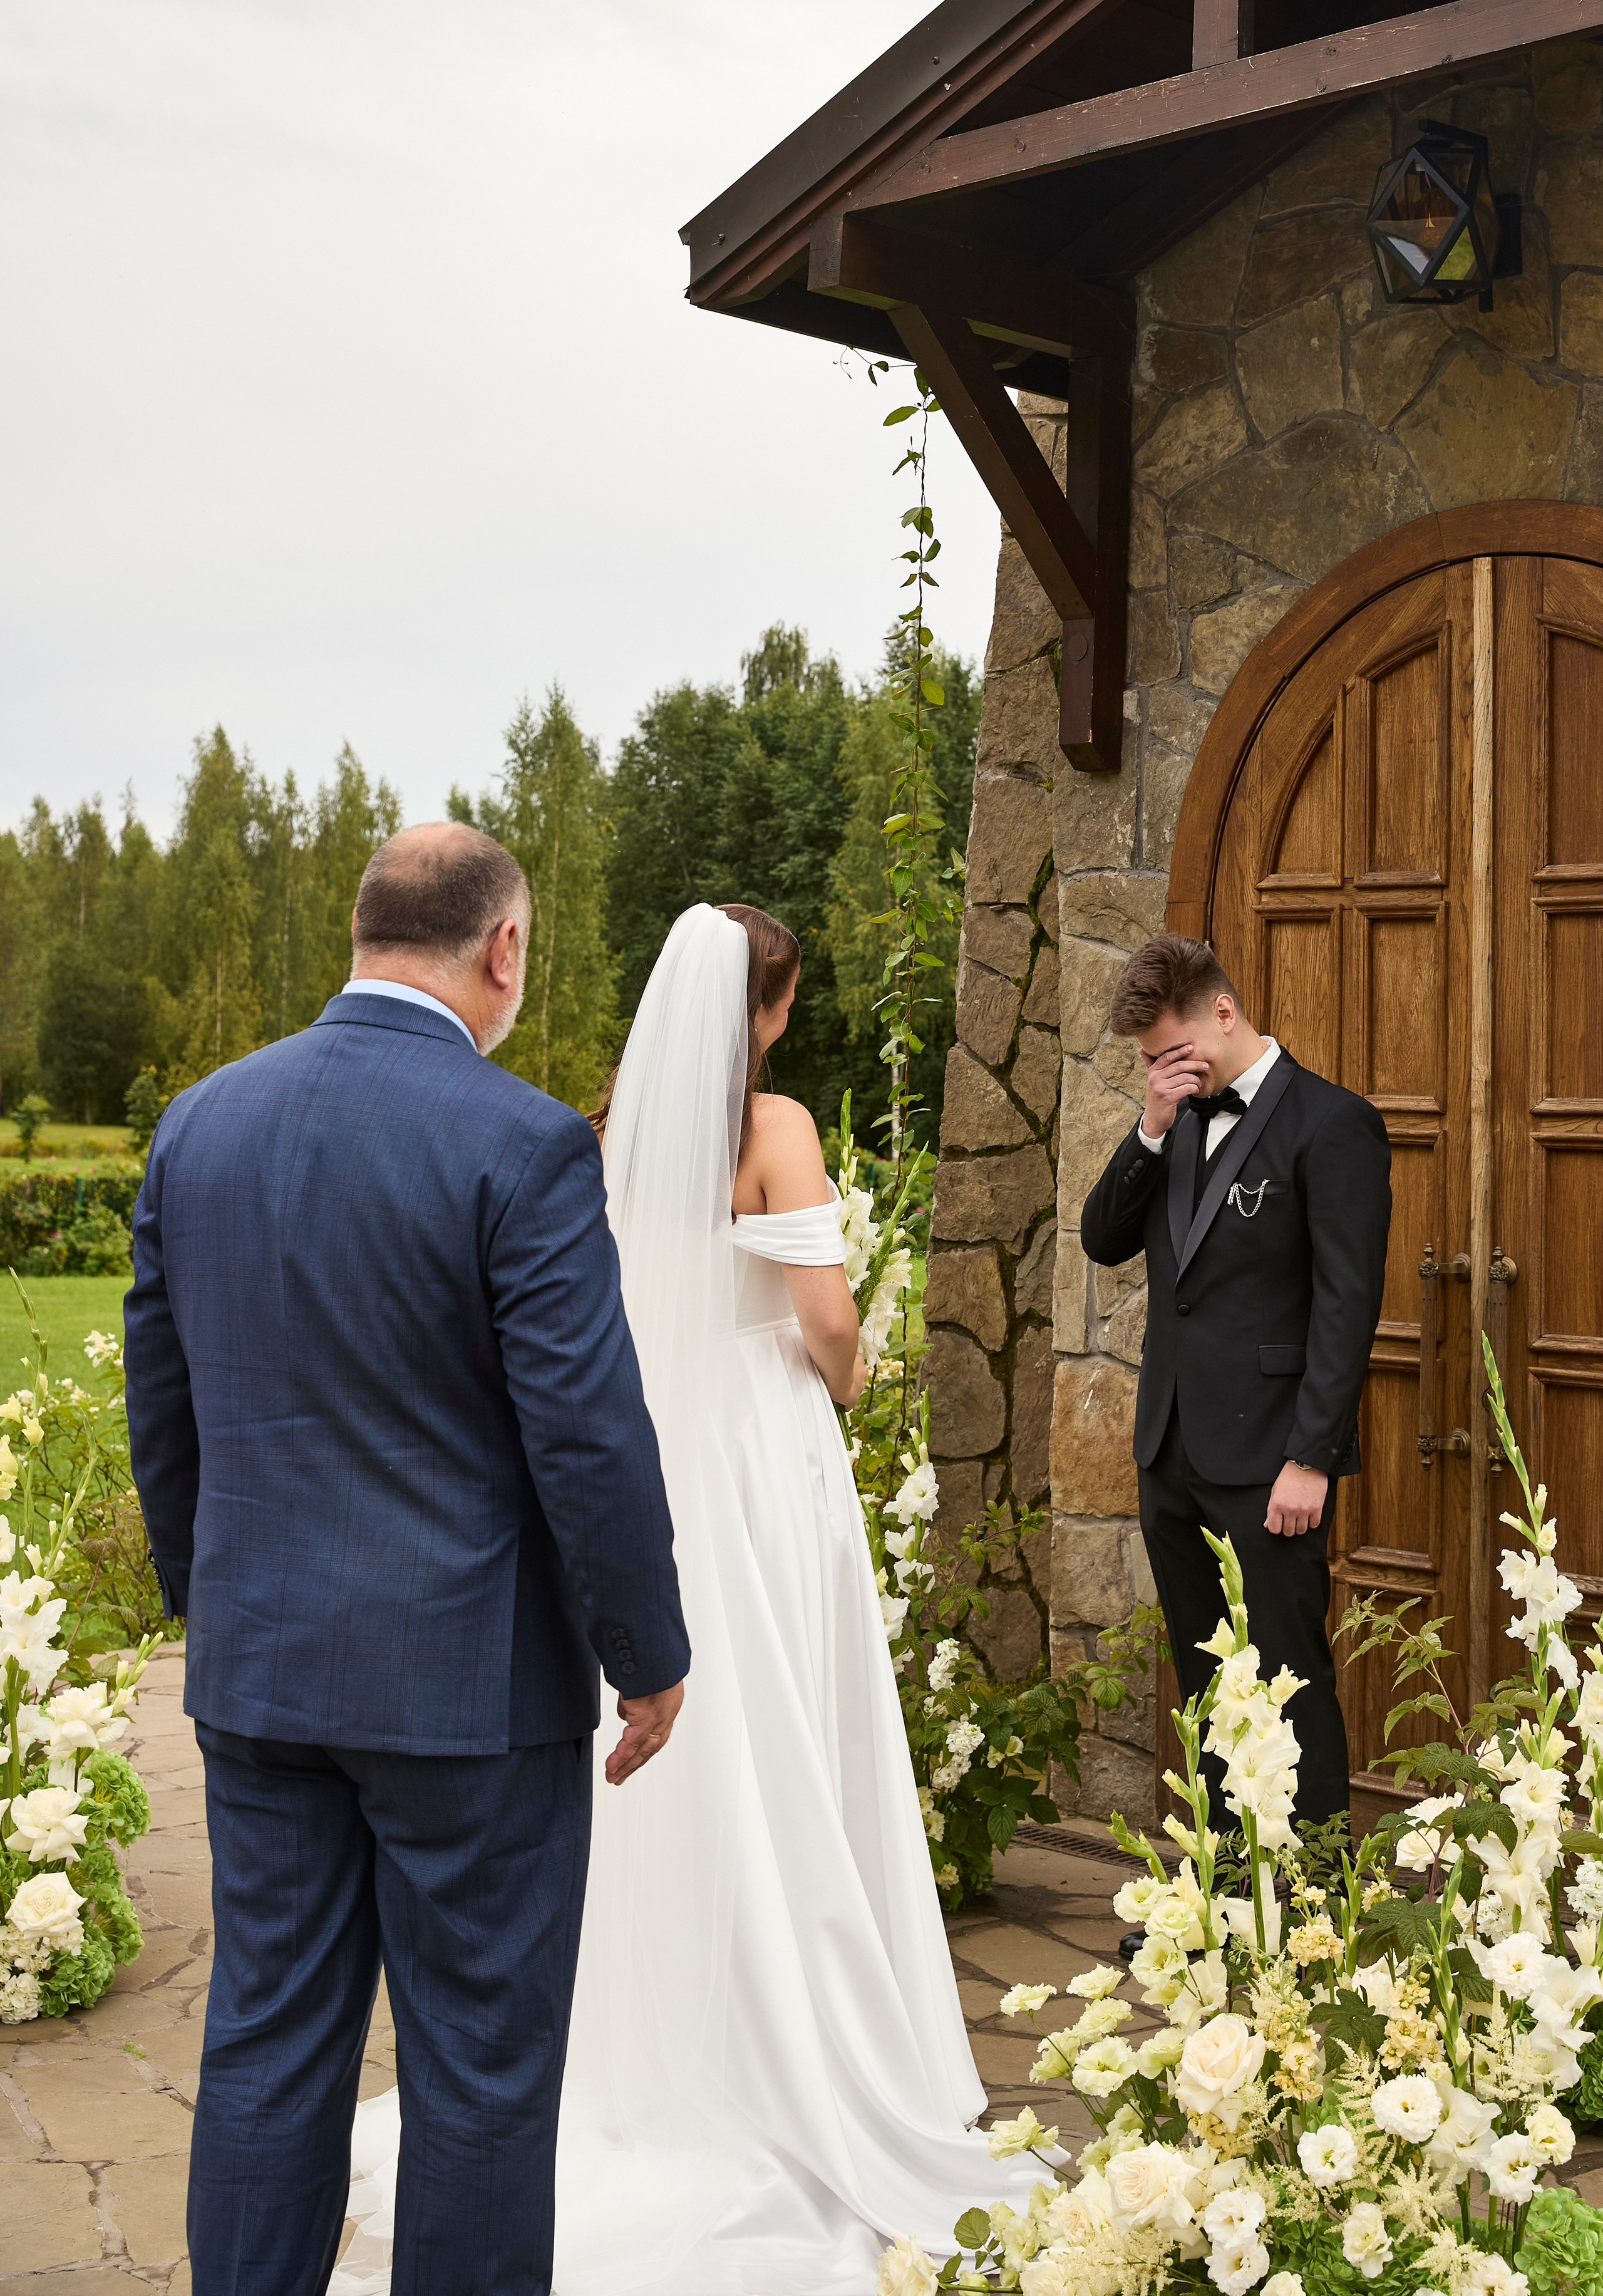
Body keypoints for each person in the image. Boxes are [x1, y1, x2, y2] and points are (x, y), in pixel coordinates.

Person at [339, 900, 1053, 2295]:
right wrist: (841, 1390)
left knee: (675, 1732)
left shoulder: (598, 1134)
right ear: (765, 1012)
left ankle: (634, 2045)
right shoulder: (772, 1127)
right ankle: (806, 2041)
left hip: (646, 1442)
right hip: (753, 1448)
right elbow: (829, 1320)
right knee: (784, 1708)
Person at [123, 822, 690, 2296]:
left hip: (260, 1683)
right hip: (467, 1698)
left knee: (264, 2040)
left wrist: (217, 1609)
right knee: (482, 2074)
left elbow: (162, 1411)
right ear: (499, 949)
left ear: (365, 928)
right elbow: (588, 1436)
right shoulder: (518, 1143)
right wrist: (648, 1652)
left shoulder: (199, 1123)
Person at [1080, 932, 1391, 1832]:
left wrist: (1313, 1457)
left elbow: (1346, 1306)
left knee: (1288, 1682)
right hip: (1170, 1451)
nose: (1166, 1072)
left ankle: (1316, 1915)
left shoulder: (1333, 1125)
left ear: (1225, 1013)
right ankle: (1219, 1905)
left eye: (1174, 1055)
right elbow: (1104, 1239)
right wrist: (1148, 1124)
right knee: (1206, 1679)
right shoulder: (1174, 1114)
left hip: (1271, 1463)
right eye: (1149, 1062)